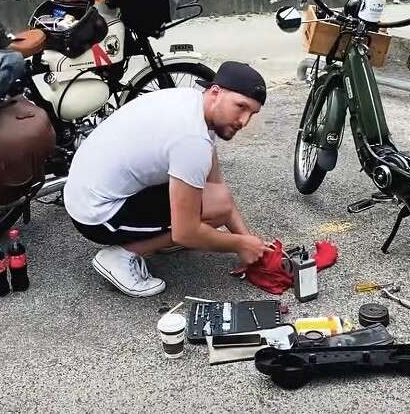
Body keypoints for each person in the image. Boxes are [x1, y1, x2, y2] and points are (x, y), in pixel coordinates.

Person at [63, 61, 272, 297]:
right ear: (216, 93)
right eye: (240, 107)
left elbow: (215, 188)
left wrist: (247, 238)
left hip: (89, 188)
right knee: (203, 218)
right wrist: (240, 244)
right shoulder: (192, 140)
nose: (244, 121)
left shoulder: (193, 103)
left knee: (216, 202)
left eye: (251, 114)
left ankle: (154, 235)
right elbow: (187, 232)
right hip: (97, 215)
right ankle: (121, 255)